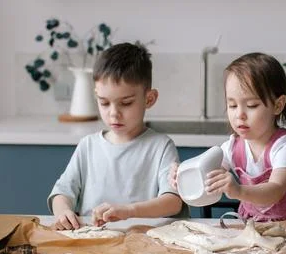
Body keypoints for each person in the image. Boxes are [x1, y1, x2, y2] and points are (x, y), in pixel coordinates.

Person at [170, 52, 286, 222]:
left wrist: (238, 191)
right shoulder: (231, 148)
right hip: (255, 225)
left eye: (251, 105)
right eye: (232, 105)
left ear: (277, 105)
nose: (240, 115)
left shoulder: (285, 147)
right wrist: (183, 177)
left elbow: (275, 190)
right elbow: (208, 178)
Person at [49, 42, 186, 230]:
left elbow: (172, 201)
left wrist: (129, 211)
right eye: (104, 103)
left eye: (126, 103)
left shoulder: (160, 147)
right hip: (92, 243)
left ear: (149, 99)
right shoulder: (87, 146)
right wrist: (63, 210)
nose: (114, 113)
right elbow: (61, 193)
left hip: (143, 244)